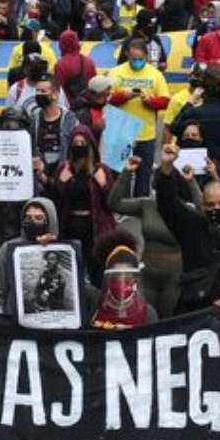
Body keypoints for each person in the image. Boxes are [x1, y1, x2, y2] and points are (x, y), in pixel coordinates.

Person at [156, 142, 220, 313]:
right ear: (202, 205)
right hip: (191, 313)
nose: (217, 209)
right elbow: (168, 205)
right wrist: (166, 168)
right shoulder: (191, 227)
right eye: (211, 205)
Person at [108, 155, 182, 319]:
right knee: (147, 317)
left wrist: (191, 183)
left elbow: (204, 215)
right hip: (147, 274)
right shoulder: (147, 205)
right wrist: (127, 172)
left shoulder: (186, 208)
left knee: (169, 319)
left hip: (174, 277)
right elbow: (114, 203)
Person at [45, 124, 115, 283]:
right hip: (70, 228)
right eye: (75, 143)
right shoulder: (63, 169)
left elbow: (112, 203)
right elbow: (55, 201)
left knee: (97, 274)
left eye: (82, 143)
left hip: (95, 230)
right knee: (72, 274)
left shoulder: (101, 169)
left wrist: (103, 184)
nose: (79, 146)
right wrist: (61, 182)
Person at [107, 39, 170, 196]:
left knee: (144, 175)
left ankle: (141, 204)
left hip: (146, 135)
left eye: (140, 59)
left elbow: (165, 101)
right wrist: (123, 96)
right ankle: (120, 204)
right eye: (133, 58)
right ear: (127, 55)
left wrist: (150, 101)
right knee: (120, 175)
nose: (137, 62)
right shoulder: (115, 72)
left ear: (146, 57)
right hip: (121, 134)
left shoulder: (155, 74)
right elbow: (106, 98)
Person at [90, 243, 157, 330]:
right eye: (116, 276)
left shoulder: (148, 313)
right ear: (108, 278)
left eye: (127, 276)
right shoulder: (93, 305)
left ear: (135, 279)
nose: (122, 281)